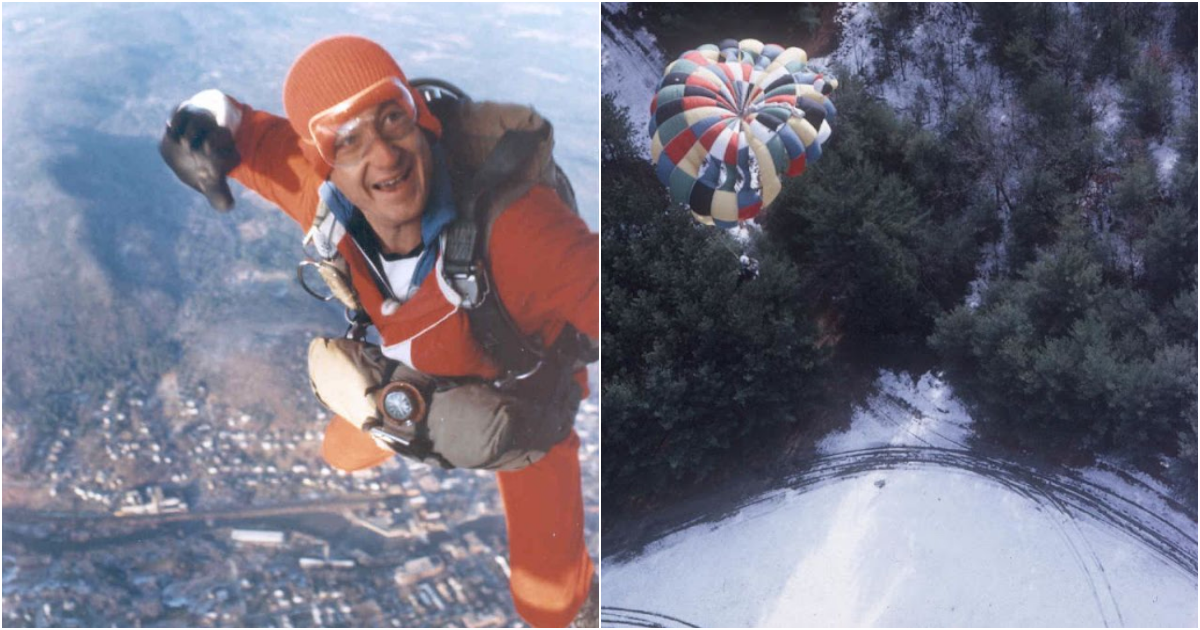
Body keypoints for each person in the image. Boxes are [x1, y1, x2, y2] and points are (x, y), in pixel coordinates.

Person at [159, 35, 598, 627]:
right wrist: (201, 126)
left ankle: (578, 601)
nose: (385, 156)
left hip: (522, 405)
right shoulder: (331, 200)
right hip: (417, 373)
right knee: (339, 454)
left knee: (547, 605)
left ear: (421, 120)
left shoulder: (521, 234)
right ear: (327, 165)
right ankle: (405, 416)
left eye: (392, 118)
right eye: (349, 139)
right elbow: (252, 137)